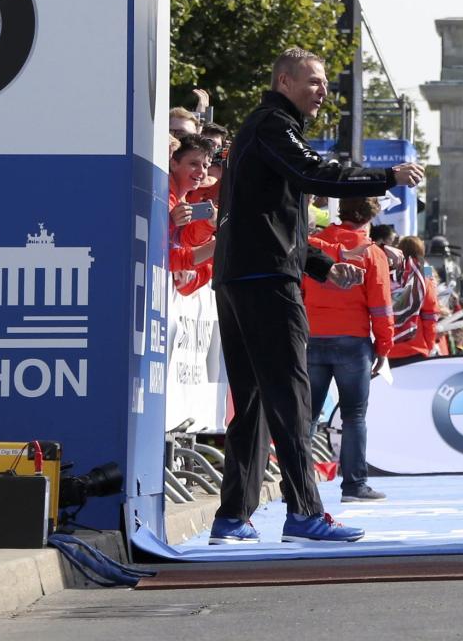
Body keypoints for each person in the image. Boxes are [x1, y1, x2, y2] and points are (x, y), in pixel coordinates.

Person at [209, 47, 424, 546]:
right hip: (264, 281)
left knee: (257, 400)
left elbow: (271, 221)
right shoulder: (272, 125)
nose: (322, 90)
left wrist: (323, 266)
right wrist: (385, 176)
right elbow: (312, 174)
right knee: (290, 395)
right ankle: (304, 512)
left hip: (242, 275)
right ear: (284, 81)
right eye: (313, 81)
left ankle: (232, 515)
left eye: (324, 82)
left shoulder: (262, 128)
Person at [304, 195, 394, 504]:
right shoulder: (372, 253)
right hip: (353, 343)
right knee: (354, 416)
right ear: (370, 219)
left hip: (312, 338)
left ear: (340, 212)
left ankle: (298, 486)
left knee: (307, 417)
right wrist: (384, 348)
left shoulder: (315, 244)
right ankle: (354, 486)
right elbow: (381, 306)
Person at [167, 134, 218, 296]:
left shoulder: (177, 197)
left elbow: (186, 239)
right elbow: (166, 257)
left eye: (205, 165)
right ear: (173, 163)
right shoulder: (164, 191)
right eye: (194, 164)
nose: (202, 172)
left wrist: (209, 225)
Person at [387, 235, 440, 366]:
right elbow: (431, 310)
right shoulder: (426, 270)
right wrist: (429, 343)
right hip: (415, 346)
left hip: (389, 347)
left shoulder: (389, 271)